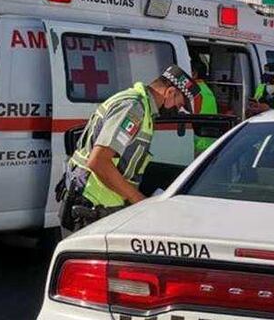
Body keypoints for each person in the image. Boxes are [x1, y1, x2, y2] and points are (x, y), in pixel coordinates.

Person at [58, 65, 199, 233]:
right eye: (179, 103)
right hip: (92, 209)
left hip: (97, 206)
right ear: (170, 93)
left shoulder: (141, 107)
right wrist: (139, 201)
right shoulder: (134, 108)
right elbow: (99, 161)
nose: (178, 109)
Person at [191, 59, 219, 156]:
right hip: (209, 141)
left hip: (198, 143)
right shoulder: (206, 90)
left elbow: (192, 116)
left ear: (194, 73)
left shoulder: (195, 91)